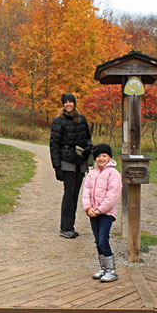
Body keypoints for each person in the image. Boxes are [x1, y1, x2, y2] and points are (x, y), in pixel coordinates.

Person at [49, 93, 92, 238]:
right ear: (63, 104)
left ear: (74, 103)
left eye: (70, 102)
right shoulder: (58, 121)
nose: (68, 104)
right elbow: (54, 145)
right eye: (65, 102)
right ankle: (65, 227)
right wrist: (57, 167)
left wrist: (88, 148)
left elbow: (88, 138)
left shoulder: (82, 119)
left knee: (74, 195)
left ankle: (70, 226)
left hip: (80, 162)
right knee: (68, 194)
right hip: (66, 162)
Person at [82, 143, 122, 282]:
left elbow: (112, 195)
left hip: (106, 213)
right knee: (98, 241)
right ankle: (104, 268)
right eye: (98, 156)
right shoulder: (92, 173)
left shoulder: (113, 174)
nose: (101, 158)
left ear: (110, 157)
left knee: (103, 240)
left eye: (104, 155)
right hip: (93, 212)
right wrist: (88, 208)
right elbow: (86, 191)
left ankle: (112, 270)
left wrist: (100, 210)